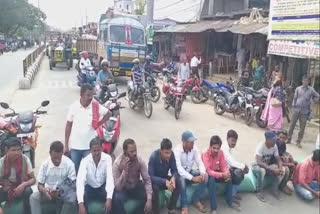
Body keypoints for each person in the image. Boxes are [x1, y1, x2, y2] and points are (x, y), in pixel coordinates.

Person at [64, 83, 111, 173]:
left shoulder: (95, 106)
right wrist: (66, 145)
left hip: (89, 148)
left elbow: (108, 114)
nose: (90, 98)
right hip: (75, 147)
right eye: (88, 95)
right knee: (75, 171)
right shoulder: (73, 107)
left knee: (89, 171)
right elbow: (68, 126)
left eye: (92, 95)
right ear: (81, 95)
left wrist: (99, 123)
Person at [30, 141, 77, 214]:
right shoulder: (45, 165)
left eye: (59, 158)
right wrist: (43, 190)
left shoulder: (69, 164)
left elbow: (72, 183)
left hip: (63, 193)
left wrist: (59, 191)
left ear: (62, 153)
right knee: (33, 197)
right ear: (50, 153)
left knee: (72, 197)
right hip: (48, 193)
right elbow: (40, 184)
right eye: (54, 158)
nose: (57, 161)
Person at [112, 139, 152, 214]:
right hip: (123, 189)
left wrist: (149, 200)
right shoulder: (117, 164)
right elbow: (117, 187)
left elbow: (147, 180)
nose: (135, 153)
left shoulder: (139, 160)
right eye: (131, 151)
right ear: (125, 152)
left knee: (149, 195)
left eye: (135, 150)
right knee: (116, 199)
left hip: (135, 186)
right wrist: (124, 171)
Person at [202, 135, 240, 214]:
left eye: (218, 148)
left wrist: (226, 173)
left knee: (229, 177)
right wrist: (222, 175)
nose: (216, 150)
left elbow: (223, 166)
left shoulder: (221, 153)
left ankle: (229, 201)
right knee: (211, 179)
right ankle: (213, 208)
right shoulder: (205, 154)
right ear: (210, 146)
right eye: (214, 148)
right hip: (207, 174)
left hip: (217, 172)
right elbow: (208, 171)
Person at [76, 138, 114, 214]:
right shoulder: (84, 161)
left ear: (102, 149)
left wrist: (109, 198)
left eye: (98, 150)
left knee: (114, 198)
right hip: (89, 188)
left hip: (102, 187)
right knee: (78, 199)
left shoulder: (107, 158)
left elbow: (110, 178)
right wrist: (80, 204)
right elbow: (80, 182)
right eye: (94, 151)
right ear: (90, 150)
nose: (97, 153)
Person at [174, 131, 207, 214]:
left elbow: (199, 162)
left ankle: (196, 199)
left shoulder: (194, 149)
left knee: (206, 176)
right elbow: (179, 169)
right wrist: (193, 178)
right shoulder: (177, 151)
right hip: (178, 177)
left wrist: (202, 173)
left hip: (189, 173)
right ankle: (184, 206)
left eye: (193, 142)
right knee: (181, 179)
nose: (193, 144)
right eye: (190, 142)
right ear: (184, 142)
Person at [0, 137, 35, 214]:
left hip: (21, 187)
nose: (17, 153)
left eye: (18, 150)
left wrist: (23, 185)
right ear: (6, 150)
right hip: (7, 189)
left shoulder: (25, 159)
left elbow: (33, 179)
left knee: (28, 191)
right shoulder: (1, 162)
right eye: (13, 150)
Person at [252, 131, 289, 202]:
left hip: (267, 165)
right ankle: (258, 191)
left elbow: (278, 159)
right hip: (256, 166)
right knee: (261, 171)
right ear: (268, 140)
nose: (276, 141)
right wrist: (272, 170)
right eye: (274, 140)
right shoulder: (261, 146)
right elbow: (259, 162)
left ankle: (274, 190)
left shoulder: (274, 146)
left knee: (281, 170)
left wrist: (280, 168)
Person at [148, 138, 180, 214]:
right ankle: (156, 211)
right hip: (155, 181)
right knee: (155, 188)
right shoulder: (153, 157)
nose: (168, 155)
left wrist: (173, 178)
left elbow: (175, 170)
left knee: (178, 181)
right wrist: (164, 181)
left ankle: (171, 208)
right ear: (161, 151)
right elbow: (150, 177)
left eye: (169, 152)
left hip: (164, 178)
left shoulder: (171, 155)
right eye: (166, 153)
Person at [288, 75, 320, 148]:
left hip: (305, 111)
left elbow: (317, 96)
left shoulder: (311, 90)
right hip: (296, 110)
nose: (305, 82)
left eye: (307, 81)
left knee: (302, 127)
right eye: (304, 80)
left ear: (309, 82)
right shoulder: (298, 89)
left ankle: (298, 141)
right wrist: (293, 105)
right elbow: (295, 98)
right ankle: (289, 138)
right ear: (302, 81)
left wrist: (313, 101)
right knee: (292, 125)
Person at [221, 130, 249, 206]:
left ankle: (233, 192)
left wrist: (242, 167)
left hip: (226, 167)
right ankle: (230, 196)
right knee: (237, 174)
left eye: (235, 141)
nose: (234, 143)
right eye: (232, 140)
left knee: (240, 172)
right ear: (227, 138)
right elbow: (231, 162)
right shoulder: (224, 148)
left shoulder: (229, 147)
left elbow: (231, 162)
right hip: (220, 169)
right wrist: (243, 166)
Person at [273, 130, 297, 195]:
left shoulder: (283, 144)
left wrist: (290, 158)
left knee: (294, 163)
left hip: (279, 159)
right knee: (287, 169)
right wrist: (287, 163)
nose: (281, 139)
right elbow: (276, 159)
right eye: (280, 137)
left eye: (283, 138)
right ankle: (282, 186)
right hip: (273, 161)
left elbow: (283, 152)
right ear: (278, 136)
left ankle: (284, 183)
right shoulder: (275, 144)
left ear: (286, 139)